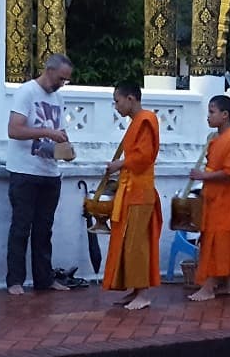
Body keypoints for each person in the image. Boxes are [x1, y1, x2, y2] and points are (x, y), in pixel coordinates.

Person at [5, 53, 73, 295]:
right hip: (24, 170)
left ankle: (44, 279)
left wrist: (65, 144)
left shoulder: (58, 98)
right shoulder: (26, 92)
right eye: (61, 78)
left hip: (49, 171)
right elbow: (14, 130)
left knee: (45, 229)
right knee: (21, 227)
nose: (62, 83)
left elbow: (59, 130)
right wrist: (46, 131)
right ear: (49, 69)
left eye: (66, 80)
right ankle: (15, 281)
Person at [103, 81, 162, 310]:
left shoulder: (146, 119)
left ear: (130, 98)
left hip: (140, 191)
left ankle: (144, 293)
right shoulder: (136, 122)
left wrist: (119, 164)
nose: (116, 106)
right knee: (127, 241)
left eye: (117, 101)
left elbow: (144, 156)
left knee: (137, 243)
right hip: (130, 189)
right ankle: (135, 289)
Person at [188, 95, 230, 301]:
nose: (208, 116)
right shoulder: (215, 139)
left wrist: (203, 175)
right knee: (220, 241)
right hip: (214, 197)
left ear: (225, 115)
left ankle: (208, 288)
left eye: (212, 112)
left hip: (226, 200)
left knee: (219, 242)